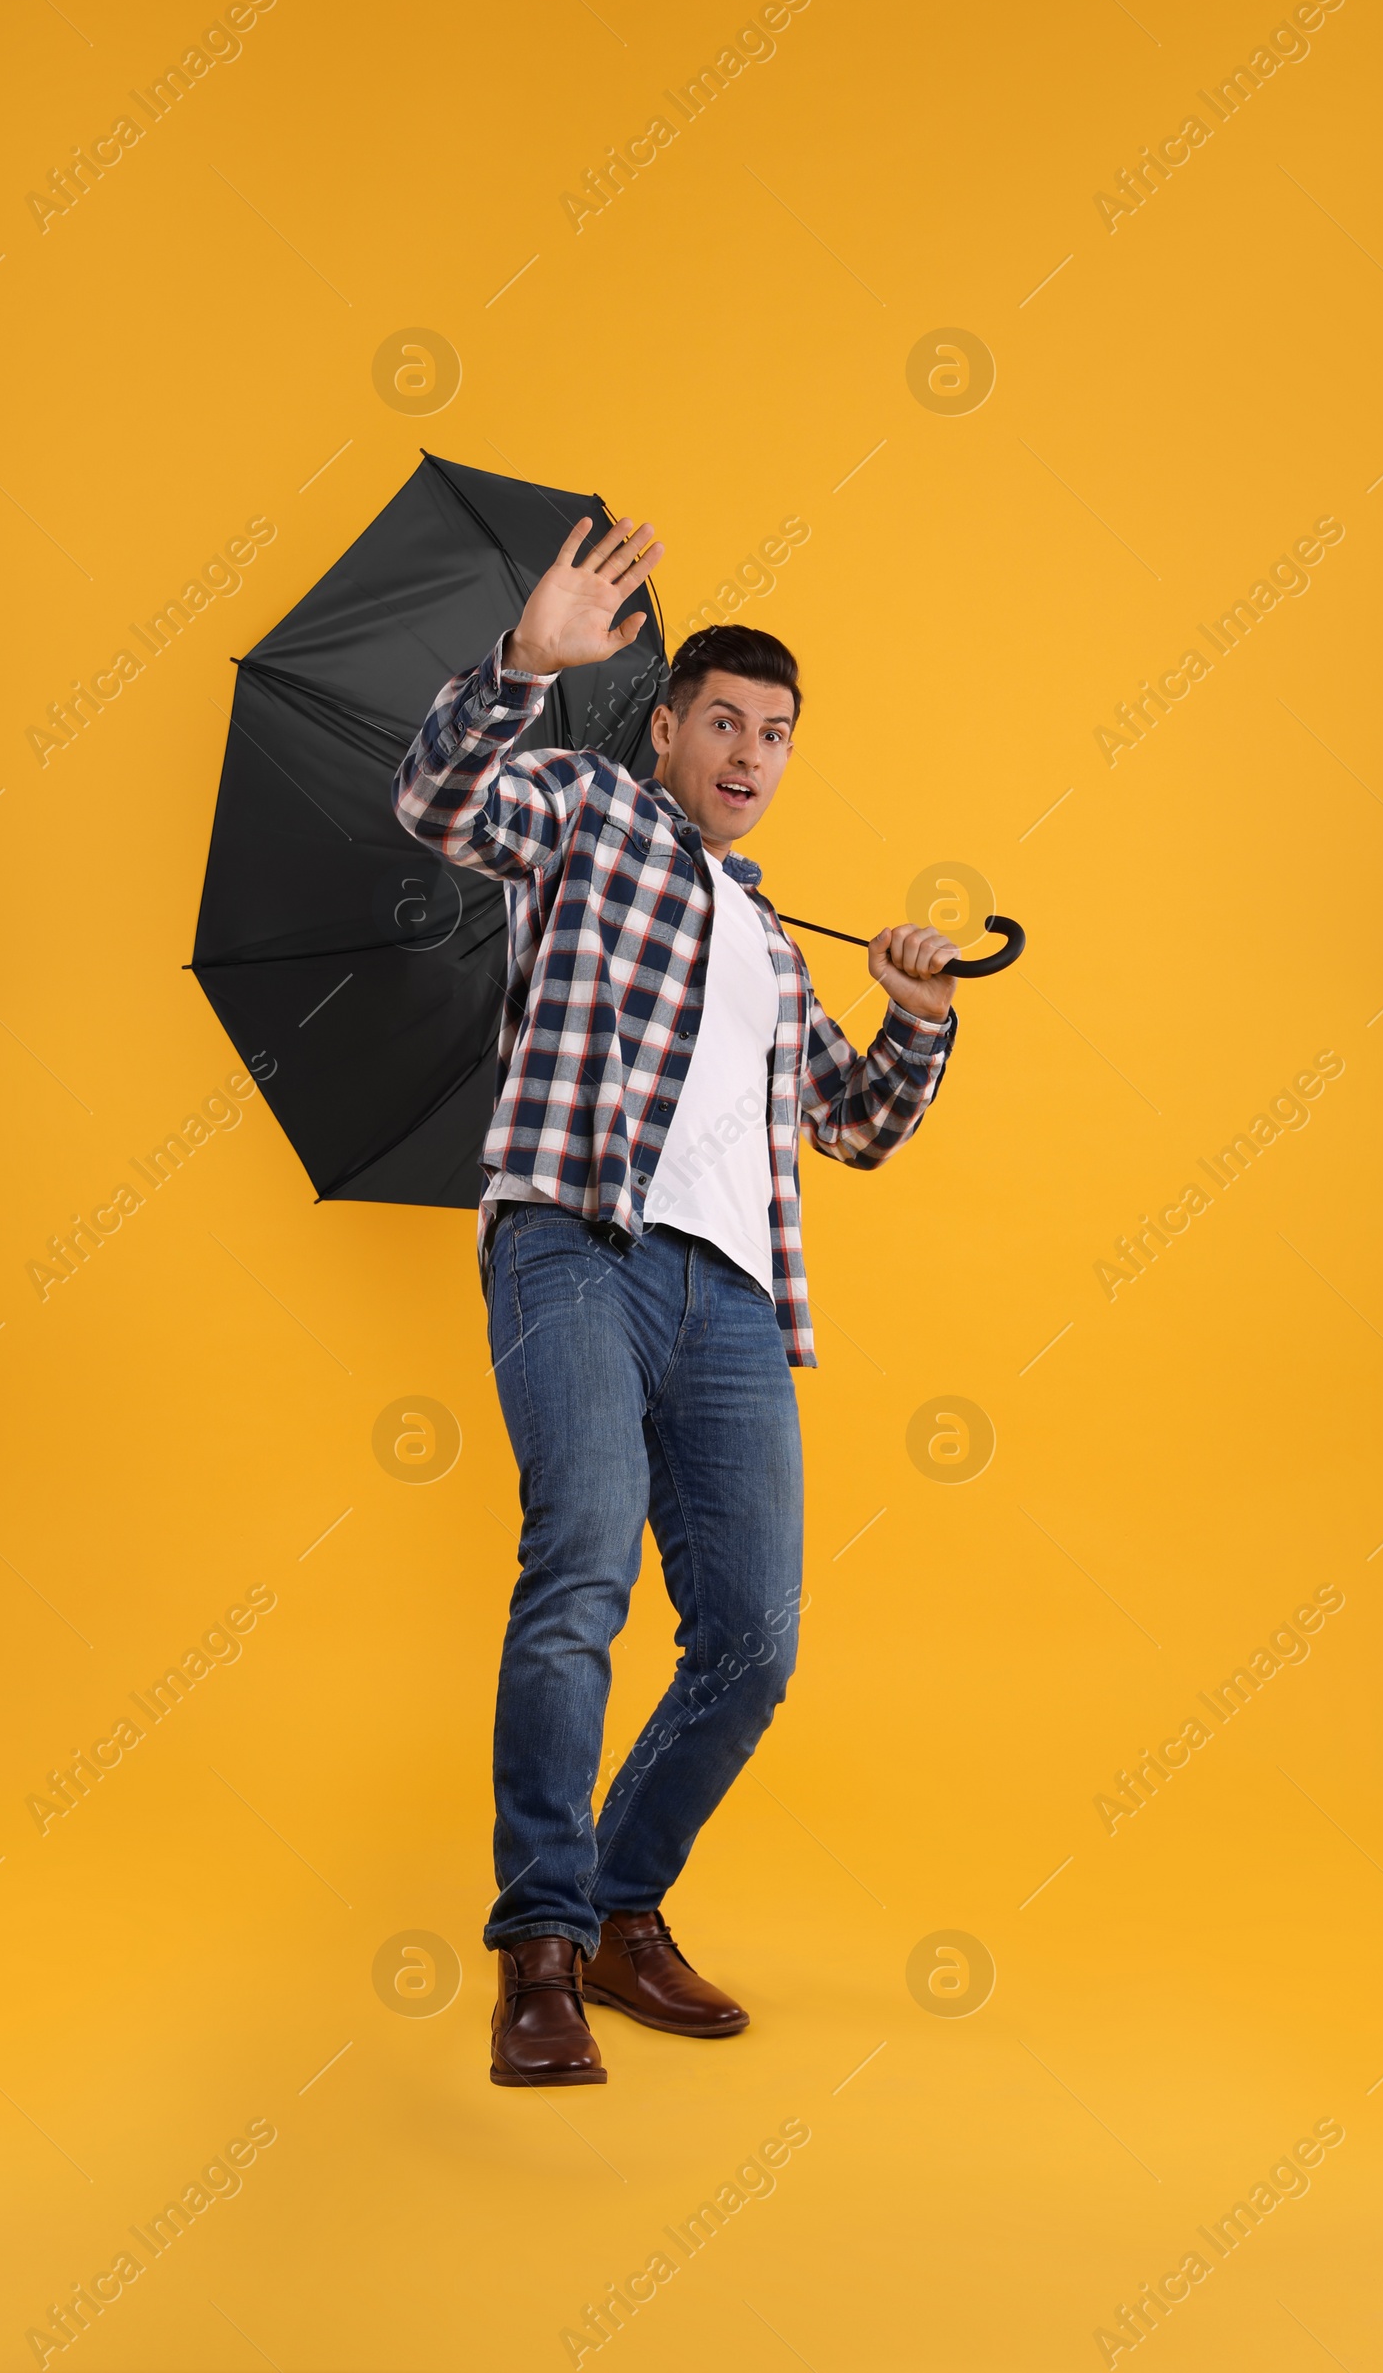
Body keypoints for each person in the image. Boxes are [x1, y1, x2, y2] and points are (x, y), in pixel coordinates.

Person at [393, 514, 962, 2086]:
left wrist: (914, 1016)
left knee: (754, 1644)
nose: (751, 751)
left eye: (776, 735)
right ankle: (539, 1951)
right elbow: (439, 803)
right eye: (723, 719)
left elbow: (852, 1126)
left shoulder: (779, 947)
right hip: (572, 1245)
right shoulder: (583, 816)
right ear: (665, 725)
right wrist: (522, 665)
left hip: (730, 1301)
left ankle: (625, 1907)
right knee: (580, 1568)